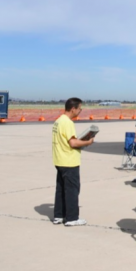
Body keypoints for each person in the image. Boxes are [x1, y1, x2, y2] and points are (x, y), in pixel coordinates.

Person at [51, 97, 93, 227]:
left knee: (61, 189)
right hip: (69, 161)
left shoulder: (58, 121)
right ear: (73, 108)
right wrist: (88, 142)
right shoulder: (68, 123)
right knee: (72, 190)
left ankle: (58, 215)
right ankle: (72, 218)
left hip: (59, 160)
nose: (80, 111)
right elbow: (73, 142)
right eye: (80, 108)